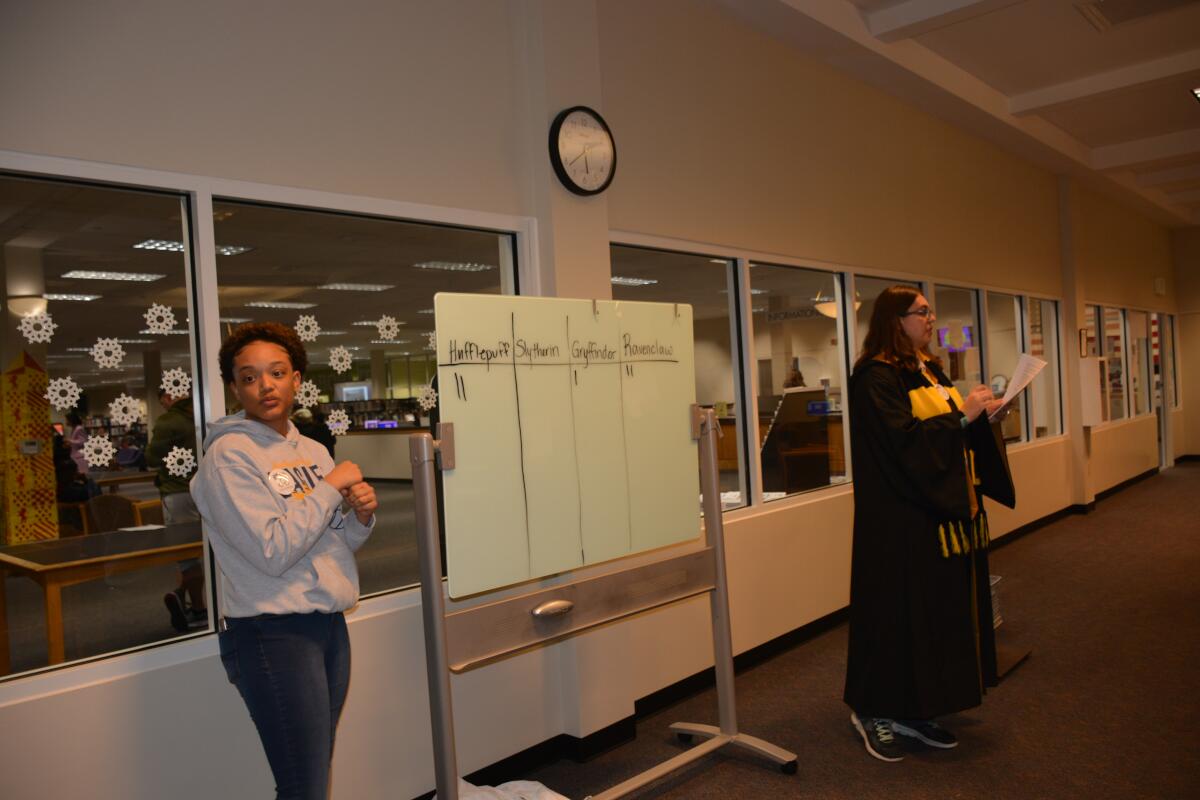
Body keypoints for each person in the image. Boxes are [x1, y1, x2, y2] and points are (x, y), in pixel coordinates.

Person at [191, 322, 377, 800]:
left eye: (276, 373)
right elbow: (272, 551)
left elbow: (330, 543)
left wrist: (359, 518)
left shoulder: (311, 451)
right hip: (273, 633)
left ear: (297, 379)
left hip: (327, 623)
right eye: (249, 377)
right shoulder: (228, 457)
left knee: (309, 775)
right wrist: (330, 488)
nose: (265, 386)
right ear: (234, 389)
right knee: (304, 784)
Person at [844, 286, 1015, 762]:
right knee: (893, 616)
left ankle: (915, 709)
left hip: (938, 518)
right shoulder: (874, 377)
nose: (931, 318)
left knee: (928, 617)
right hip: (898, 522)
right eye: (922, 312)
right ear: (895, 320)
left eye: (929, 310)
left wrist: (983, 418)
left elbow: (950, 432)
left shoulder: (930, 369)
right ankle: (873, 709)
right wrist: (962, 415)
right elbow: (902, 443)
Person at [146, 389, 205, 631]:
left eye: (162, 400)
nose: (163, 404)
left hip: (177, 492)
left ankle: (198, 608)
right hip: (205, 489)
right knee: (204, 550)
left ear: (169, 396)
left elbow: (152, 457)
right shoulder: (204, 413)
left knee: (186, 554)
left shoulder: (168, 421)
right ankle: (186, 598)